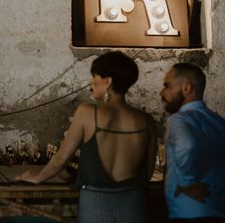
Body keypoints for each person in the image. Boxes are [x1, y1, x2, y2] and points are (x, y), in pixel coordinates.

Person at [17, 51, 156, 223]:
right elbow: (148, 172)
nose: (91, 83)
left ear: (108, 82)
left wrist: (38, 177)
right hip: (134, 205)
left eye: (94, 77)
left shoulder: (87, 112)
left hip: (95, 204)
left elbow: (61, 159)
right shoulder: (147, 121)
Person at [160, 63, 225, 222]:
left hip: (188, 212)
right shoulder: (219, 122)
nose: (162, 93)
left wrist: (186, 182)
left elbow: (187, 145)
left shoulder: (178, 119)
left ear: (187, 88)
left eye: (168, 86)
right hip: (217, 209)